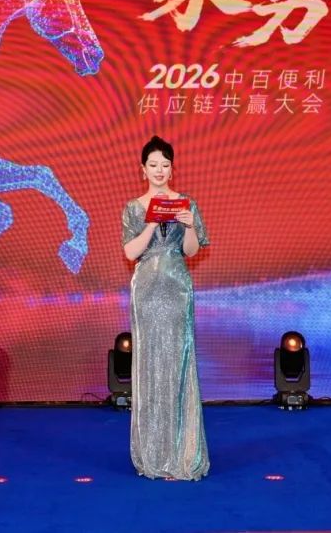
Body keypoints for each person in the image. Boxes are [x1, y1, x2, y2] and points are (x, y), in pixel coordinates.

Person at [121, 135, 210, 480]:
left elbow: (191, 251)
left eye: (165, 165)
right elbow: (131, 252)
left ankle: (182, 454)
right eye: (153, 164)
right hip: (146, 290)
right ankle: (153, 455)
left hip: (176, 288)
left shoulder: (187, 204)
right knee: (149, 363)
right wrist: (150, 222)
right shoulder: (133, 208)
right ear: (142, 169)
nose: (160, 170)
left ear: (173, 168)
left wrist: (188, 226)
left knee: (179, 362)